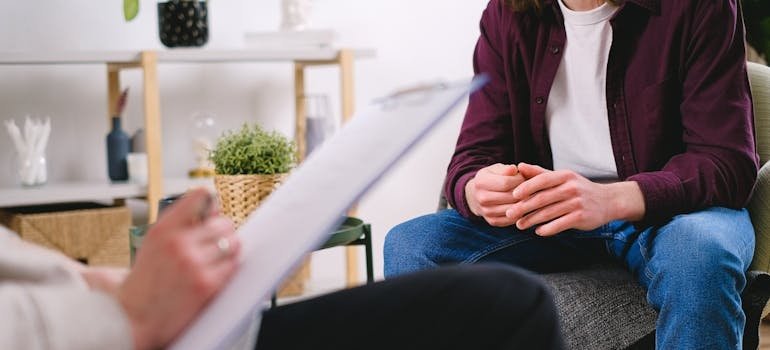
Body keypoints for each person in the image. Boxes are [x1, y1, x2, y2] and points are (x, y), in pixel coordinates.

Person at [384, 0, 758, 349]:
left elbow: (728, 163)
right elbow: (471, 157)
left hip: (673, 212)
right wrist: (475, 189)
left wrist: (611, 198)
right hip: (551, 215)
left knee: (698, 254)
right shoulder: (507, 13)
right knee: (410, 245)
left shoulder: (697, 7)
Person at [0, 188, 564, 350]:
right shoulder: (510, 18)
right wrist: (125, 316)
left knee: (494, 301)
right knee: (502, 304)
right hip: (111, 336)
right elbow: (471, 155)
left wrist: (98, 283)